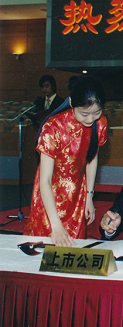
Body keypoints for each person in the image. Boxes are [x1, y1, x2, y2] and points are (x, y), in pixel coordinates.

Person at [24, 76, 108, 247]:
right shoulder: (53, 127)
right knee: (44, 248)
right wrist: (55, 225)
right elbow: (44, 180)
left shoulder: (100, 124)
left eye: (97, 112)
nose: (90, 119)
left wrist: (89, 196)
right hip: (49, 195)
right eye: (84, 113)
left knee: (73, 249)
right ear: (72, 103)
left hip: (76, 195)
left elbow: (92, 159)